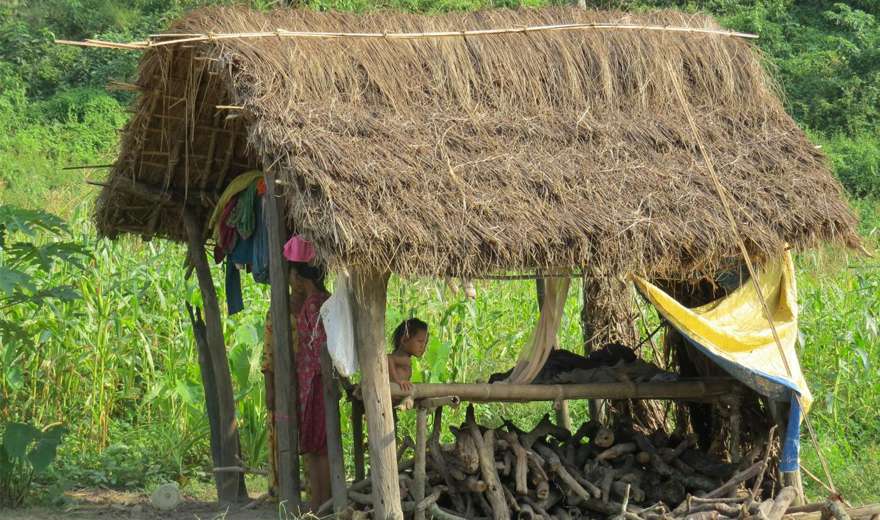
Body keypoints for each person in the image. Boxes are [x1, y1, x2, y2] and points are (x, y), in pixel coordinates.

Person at [291, 261, 331, 512]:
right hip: (318, 380)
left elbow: (320, 348)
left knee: (320, 447)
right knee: (319, 446)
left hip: (316, 380)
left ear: (298, 276)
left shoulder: (313, 305)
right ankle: (320, 505)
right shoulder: (324, 300)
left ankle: (322, 505)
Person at [387, 318, 429, 392]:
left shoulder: (407, 359)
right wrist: (397, 381)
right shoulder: (403, 358)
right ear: (404, 340)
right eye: (420, 341)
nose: (423, 346)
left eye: (425, 343)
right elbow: (388, 358)